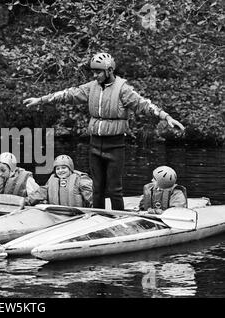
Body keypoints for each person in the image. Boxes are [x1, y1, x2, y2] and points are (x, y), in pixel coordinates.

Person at [23, 52, 185, 211]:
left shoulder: (123, 89)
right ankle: (97, 216)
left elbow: (144, 104)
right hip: (95, 144)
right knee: (97, 187)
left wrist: (167, 117)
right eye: (93, 72)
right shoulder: (91, 88)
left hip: (115, 145)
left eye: (98, 72)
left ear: (109, 70)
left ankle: (119, 217)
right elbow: (68, 94)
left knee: (114, 188)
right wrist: (40, 100)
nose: (95, 75)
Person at [28, 155, 93, 207]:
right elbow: (39, 194)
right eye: (58, 169)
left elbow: (92, 198)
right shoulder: (51, 181)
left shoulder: (81, 179)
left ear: (70, 168)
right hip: (57, 216)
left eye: (64, 168)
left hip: (78, 216)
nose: (60, 171)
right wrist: (23, 201)